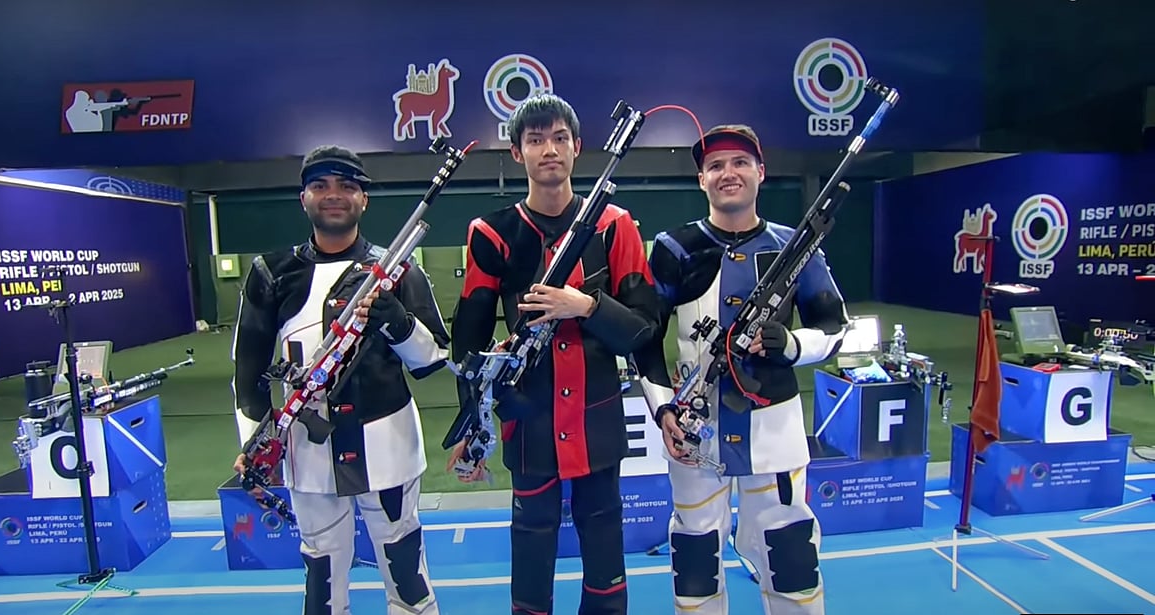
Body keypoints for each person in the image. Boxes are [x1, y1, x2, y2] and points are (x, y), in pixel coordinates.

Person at [447, 93, 661, 615]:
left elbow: (644, 329)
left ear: (577, 147)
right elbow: (469, 339)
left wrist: (585, 306)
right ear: (516, 152)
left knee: (604, 540)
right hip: (528, 418)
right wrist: (472, 424)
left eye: (560, 138)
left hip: (597, 416)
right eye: (536, 139)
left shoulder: (614, 224)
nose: (549, 149)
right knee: (532, 542)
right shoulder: (491, 233)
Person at [630, 124, 847, 615]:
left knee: (790, 554)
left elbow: (836, 326)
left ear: (761, 172)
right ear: (701, 179)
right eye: (715, 166)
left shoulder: (795, 246)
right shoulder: (674, 247)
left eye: (740, 162)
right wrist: (663, 410)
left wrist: (793, 344)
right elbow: (644, 337)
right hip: (694, 432)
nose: (728, 173)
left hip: (774, 432)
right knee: (695, 559)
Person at [231, 145, 448, 615]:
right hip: (306, 449)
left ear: (363, 199)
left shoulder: (399, 269)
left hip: (387, 443)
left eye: (347, 185)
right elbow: (248, 372)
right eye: (321, 185)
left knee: (405, 568)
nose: (334, 195)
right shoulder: (271, 272)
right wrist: (257, 444)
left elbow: (433, 360)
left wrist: (399, 323)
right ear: (303, 198)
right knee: (322, 572)